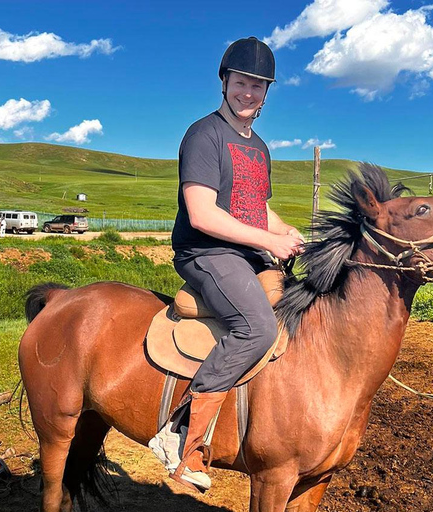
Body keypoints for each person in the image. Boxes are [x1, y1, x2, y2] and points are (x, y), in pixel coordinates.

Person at [148, 36, 304, 492]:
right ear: (224, 82)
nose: (249, 93)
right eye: (242, 82)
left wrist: (287, 233)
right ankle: (181, 438)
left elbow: (257, 209)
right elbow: (203, 213)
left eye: (259, 85)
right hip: (207, 252)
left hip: (247, 250)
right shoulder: (204, 134)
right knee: (257, 326)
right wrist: (268, 239)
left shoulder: (260, 147)